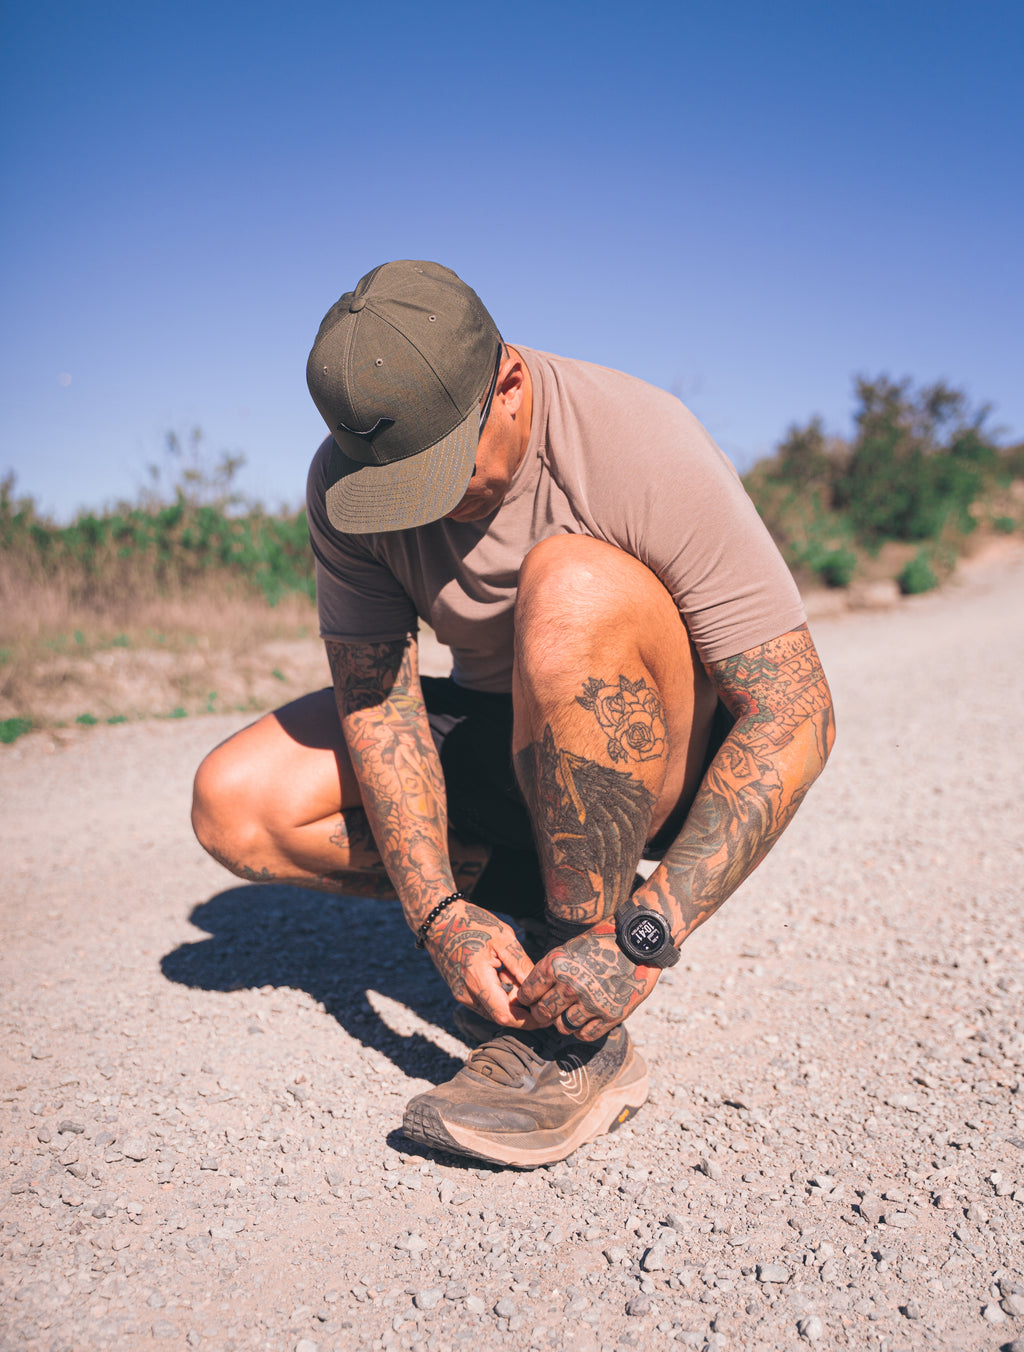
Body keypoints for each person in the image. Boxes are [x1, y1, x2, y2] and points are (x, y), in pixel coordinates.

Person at [191, 259, 835, 1169]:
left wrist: (642, 937)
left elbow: (796, 711)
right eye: (395, 482)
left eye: (442, 470)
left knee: (566, 581)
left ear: (509, 384)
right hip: (509, 739)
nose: (429, 505)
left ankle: (574, 1039)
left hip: (652, 757)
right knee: (237, 798)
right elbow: (380, 708)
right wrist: (438, 913)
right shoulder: (344, 487)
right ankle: (525, 929)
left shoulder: (636, 438)